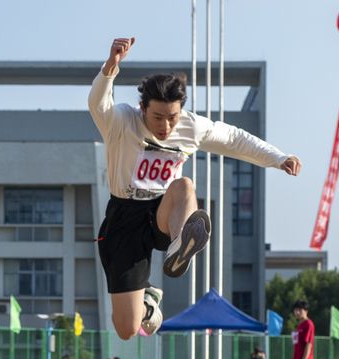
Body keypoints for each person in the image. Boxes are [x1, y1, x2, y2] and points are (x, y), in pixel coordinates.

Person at [89, 37, 302, 340]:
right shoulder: (122, 120)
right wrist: (111, 66)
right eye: (157, 117)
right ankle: (149, 303)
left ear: (181, 112)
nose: (165, 126)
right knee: (127, 328)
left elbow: (234, 139)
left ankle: (180, 244)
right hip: (124, 217)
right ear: (142, 108)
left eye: (172, 118)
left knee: (184, 186)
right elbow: (97, 104)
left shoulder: (192, 127)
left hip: (163, 211)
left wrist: (278, 158)